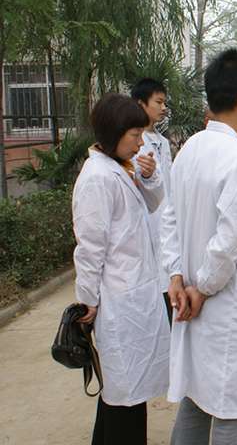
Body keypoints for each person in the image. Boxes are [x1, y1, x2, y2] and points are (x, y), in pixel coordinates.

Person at [161, 48, 237, 445]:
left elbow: (169, 219)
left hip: (193, 303)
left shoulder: (189, 149)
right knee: (234, 412)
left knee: (197, 399)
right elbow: (227, 245)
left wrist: (177, 276)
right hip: (227, 308)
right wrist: (201, 287)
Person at [73, 93, 170, 445]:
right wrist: (87, 300)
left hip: (135, 295)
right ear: (115, 133)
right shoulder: (98, 178)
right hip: (117, 300)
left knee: (127, 391)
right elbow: (90, 247)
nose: (141, 142)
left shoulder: (121, 168)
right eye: (134, 135)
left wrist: (151, 176)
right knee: (123, 394)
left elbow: (154, 203)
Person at [131, 78, 173, 324]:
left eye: (164, 102)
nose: (162, 107)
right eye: (158, 102)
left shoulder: (162, 141)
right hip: (146, 227)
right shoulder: (133, 142)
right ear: (140, 103)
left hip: (166, 225)